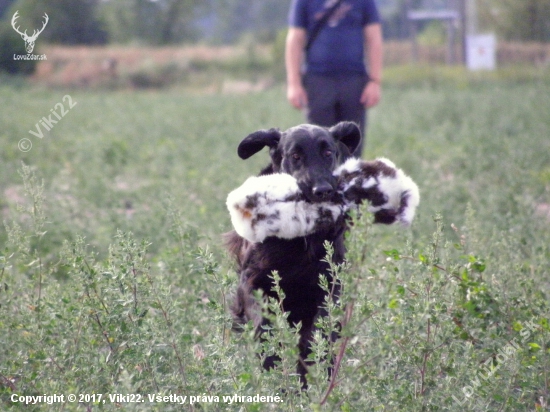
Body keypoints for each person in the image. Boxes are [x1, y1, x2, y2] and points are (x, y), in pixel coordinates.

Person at [285, 0, 383, 157]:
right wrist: (293, 83)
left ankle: (349, 180)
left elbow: (374, 37)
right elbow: (295, 39)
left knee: (351, 148)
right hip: (317, 81)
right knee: (316, 146)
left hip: (354, 81)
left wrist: (375, 81)